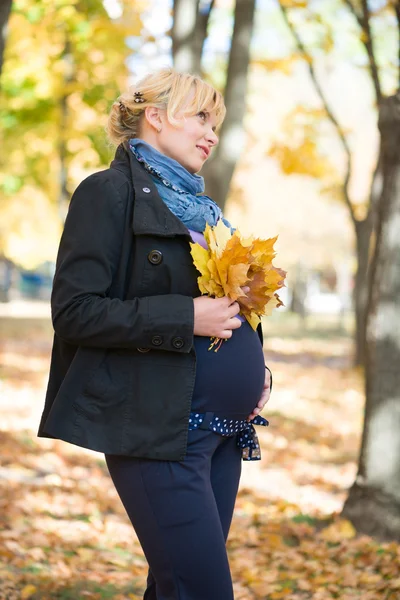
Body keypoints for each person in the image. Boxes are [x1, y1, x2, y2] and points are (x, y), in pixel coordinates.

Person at [38, 67, 272, 600]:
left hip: (223, 433)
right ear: (157, 116)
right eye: (201, 117)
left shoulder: (207, 214)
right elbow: (74, 311)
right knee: (203, 590)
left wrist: (258, 371)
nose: (212, 133)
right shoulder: (107, 193)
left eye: (216, 121)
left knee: (175, 587)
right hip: (157, 430)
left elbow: (231, 310)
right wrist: (184, 317)